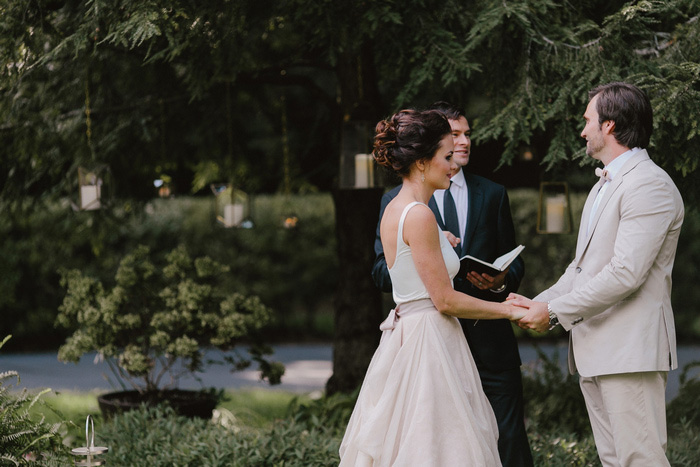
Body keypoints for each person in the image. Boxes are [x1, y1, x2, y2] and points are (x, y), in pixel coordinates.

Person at [510, 82, 684, 466]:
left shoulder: (649, 184)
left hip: (629, 352)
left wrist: (555, 313)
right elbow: (582, 270)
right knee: (612, 461)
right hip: (597, 351)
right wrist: (535, 303)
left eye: (588, 120)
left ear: (609, 125)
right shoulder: (603, 184)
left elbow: (626, 274)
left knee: (641, 460)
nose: (582, 129)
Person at [339, 109, 526, 466]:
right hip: (430, 343)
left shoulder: (399, 208)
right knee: (438, 448)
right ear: (423, 163)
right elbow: (444, 300)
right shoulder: (420, 215)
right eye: (445, 157)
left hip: (410, 335)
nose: (452, 165)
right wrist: (511, 310)